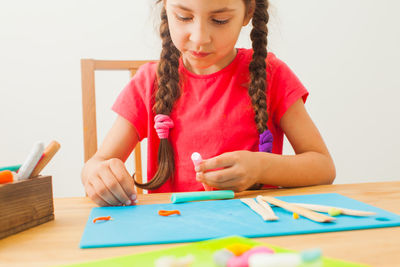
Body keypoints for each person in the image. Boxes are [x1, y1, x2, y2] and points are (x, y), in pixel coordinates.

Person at [81, 0, 336, 207]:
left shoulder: (273, 75)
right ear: (166, 8)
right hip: (173, 233)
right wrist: (98, 175)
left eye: (220, 20)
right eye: (183, 17)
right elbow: (97, 164)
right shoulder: (150, 82)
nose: (200, 38)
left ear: (248, 13)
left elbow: (323, 167)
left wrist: (260, 167)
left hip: (256, 233)